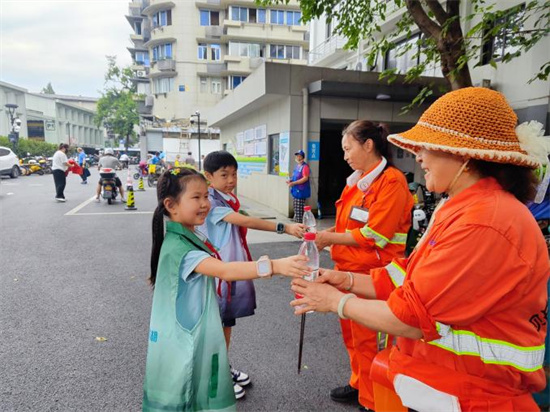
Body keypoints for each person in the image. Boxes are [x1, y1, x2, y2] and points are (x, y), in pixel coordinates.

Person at [291, 87, 550, 411]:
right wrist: (346, 281)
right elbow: (410, 274)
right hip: (453, 389)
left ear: (464, 155)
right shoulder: (467, 208)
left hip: (473, 397)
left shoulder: (485, 220)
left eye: (428, 147)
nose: (419, 157)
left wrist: (335, 301)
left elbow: (411, 317)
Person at [143, 168, 309, 411]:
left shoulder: (185, 236)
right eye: (196, 197)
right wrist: (275, 265)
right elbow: (225, 271)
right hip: (187, 340)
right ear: (171, 205)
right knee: (188, 395)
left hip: (188, 332)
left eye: (205, 197)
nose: (204, 204)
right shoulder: (182, 248)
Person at [314, 120, 414, 411]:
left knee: (371, 341)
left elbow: (375, 235)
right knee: (354, 338)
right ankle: (360, 384)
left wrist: (327, 237)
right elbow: (350, 225)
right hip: (349, 271)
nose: (344, 155)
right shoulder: (358, 182)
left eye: (348, 148)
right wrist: (328, 233)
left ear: (368, 145)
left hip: (373, 275)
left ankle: (373, 400)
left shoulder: (391, 182)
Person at [199, 151, 305, 399]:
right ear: (209, 177)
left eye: (234, 174)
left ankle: (222, 366)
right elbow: (246, 222)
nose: (231, 180)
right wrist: (285, 227)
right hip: (220, 273)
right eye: (224, 175)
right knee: (219, 326)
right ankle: (216, 377)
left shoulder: (225, 197)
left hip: (229, 270)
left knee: (226, 323)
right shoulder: (213, 202)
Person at [287, 150, 311, 223]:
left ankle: (299, 225)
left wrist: (294, 183)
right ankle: (297, 221)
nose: (298, 157)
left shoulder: (305, 167)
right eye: (297, 156)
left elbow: (305, 178)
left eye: (299, 156)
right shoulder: (297, 166)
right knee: (296, 208)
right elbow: (295, 176)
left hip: (301, 191)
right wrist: (291, 180)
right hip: (296, 191)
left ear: (303, 158)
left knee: (299, 210)